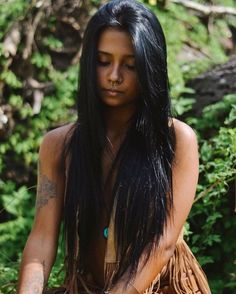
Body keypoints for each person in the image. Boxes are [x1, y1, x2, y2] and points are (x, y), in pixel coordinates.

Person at [17, 0, 211, 293]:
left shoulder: (176, 141)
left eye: (130, 65)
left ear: (150, 68)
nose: (114, 76)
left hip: (160, 286)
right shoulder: (58, 146)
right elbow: (42, 240)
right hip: (89, 285)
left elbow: (163, 243)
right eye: (103, 61)